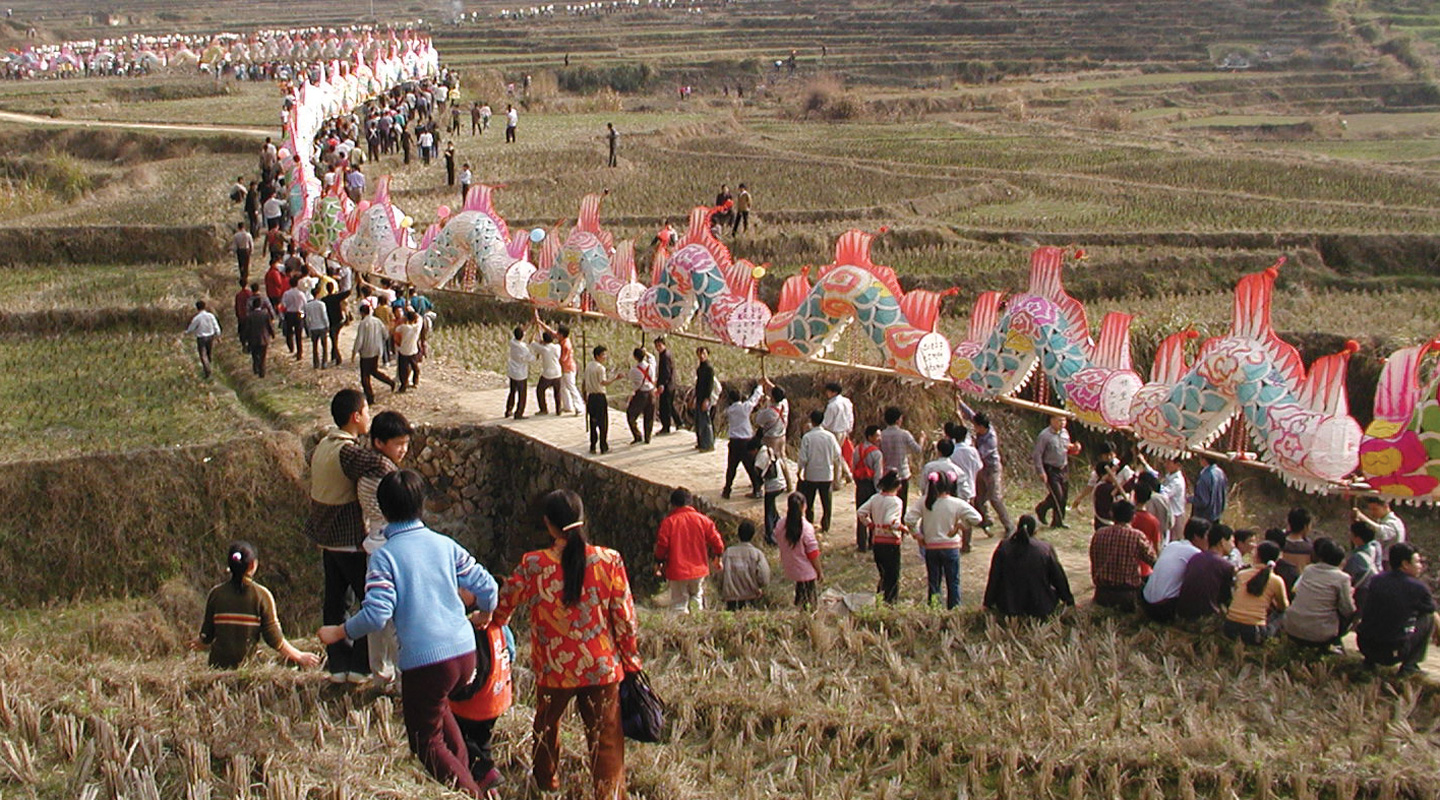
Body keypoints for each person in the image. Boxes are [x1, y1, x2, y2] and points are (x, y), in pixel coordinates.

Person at [318, 470, 499, 798]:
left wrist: (339, 631)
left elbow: (376, 614)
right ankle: (473, 778)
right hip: (465, 653)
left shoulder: (384, 557)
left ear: (382, 510)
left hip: (428, 662)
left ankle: (468, 792)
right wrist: (485, 613)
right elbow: (487, 585)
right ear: (422, 505)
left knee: (424, 741)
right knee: (437, 709)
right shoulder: (445, 545)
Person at [493, 489, 639, 798]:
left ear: (548, 524)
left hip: (554, 666)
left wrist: (494, 622)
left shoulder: (534, 563)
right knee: (606, 736)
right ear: (582, 518)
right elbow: (624, 617)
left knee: (546, 727)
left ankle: (547, 784)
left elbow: (506, 601)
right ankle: (608, 792)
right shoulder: (608, 560)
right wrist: (630, 659)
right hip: (601, 664)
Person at [304, 390, 375, 683]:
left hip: (326, 537)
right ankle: (359, 665)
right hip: (348, 538)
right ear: (356, 417)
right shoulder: (349, 452)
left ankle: (338, 665)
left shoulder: (323, 446)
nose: (369, 415)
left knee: (335, 602)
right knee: (368, 601)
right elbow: (376, 467)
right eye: (367, 410)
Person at [194, 542, 321, 670]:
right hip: (246, 668)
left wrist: (195, 643)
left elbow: (206, 636)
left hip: (217, 669)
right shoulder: (262, 595)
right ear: (252, 565)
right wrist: (300, 656)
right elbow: (275, 639)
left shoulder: (216, 594)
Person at [356, 410, 413, 683]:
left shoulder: (365, 468)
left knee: (377, 618)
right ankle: (402, 676)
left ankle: (381, 674)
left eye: (405, 443)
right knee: (393, 618)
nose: (403, 449)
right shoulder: (384, 475)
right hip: (389, 548)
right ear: (379, 442)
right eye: (398, 444)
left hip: (373, 546)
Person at [448, 614, 512, 795]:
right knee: (482, 742)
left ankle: (484, 772)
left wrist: (452, 694)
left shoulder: (474, 627)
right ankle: (488, 786)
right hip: (496, 697)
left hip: (476, 703)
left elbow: (476, 673)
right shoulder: (495, 619)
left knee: (457, 739)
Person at [1355, 543, 1440, 676]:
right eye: (1417, 562)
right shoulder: (1417, 587)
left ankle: (1369, 663)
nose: (1420, 566)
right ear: (1405, 564)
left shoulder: (1376, 580)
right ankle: (1410, 666)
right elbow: (1430, 609)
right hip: (1392, 652)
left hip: (1365, 646)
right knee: (1429, 617)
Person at [905, 472, 982, 609]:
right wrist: (961, 526)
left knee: (934, 583)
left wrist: (917, 535)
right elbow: (977, 518)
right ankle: (954, 611)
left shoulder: (924, 501)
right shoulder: (956, 503)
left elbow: (909, 519)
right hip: (951, 547)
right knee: (953, 582)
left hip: (931, 548)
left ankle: (934, 610)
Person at [983, 515, 1074, 618]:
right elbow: (1058, 578)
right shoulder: (1044, 549)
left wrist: (988, 603)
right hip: (1040, 607)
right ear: (1035, 531)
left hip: (1008, 606)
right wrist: (1068, 600)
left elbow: (994, 577)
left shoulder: (1003, 547)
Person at [655, 488, 724, 614]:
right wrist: (718, 556)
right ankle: (698, 623)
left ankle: (681, 628)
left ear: (673, 504)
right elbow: (717, 541)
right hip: (699, 569)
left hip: (677, 570)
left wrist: (658, 561)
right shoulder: (703, 520)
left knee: (679, 603)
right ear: (690, 502)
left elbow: (662, 545)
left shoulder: (669, 523)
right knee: (697, 597)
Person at [1283, 537, 1356, 650]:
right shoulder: (1342, 578)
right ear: (1341, 560)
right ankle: (1333, 643)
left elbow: (1295, 590)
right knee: (1350, 612)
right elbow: (1348, 609)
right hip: (1319, 634)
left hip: (1292, 627)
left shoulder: (1308, 569)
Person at [1088, 500, 1156, 611]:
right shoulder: (1137, 536)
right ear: (1133, 517)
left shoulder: (1099, 534)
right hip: (1127, 596)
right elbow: (1153, 561)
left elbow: (1093, 559)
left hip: (1101, 593)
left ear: (1112, 515)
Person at [958, 400, 1013, 536]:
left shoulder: (990, 439)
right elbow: (971, 415)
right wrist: (960, 402)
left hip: (991, 469)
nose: (974, 428)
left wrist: (968, 442)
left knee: (994, 498)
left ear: (981, 427)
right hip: (981, 469)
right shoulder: (981, 426)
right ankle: (987, 520)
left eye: (976, 427)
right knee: (979, 499)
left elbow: (979, 453)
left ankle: (1009, 525)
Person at [1141, 518, 1209, 623]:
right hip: (1163, 608)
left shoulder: (1171, 545)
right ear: (1196, 536)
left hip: (1146, 602)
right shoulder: (1195, 554)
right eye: (1207, 537)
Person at [1224, 540, 1290, 645]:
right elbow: (1283, 606)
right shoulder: (1276, 580)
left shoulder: (1241, 575)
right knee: (1282, 613)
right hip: (1254, 632)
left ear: (1256, 557)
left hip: (1229, 627)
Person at [856, 472, 908, 604]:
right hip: (891, 542)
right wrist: (902, 527)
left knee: (883, 575)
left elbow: (861, 512)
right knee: (893, 576)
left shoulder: (875, 498)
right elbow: (890, 520)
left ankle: (881, 599)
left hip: (877, 541)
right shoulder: (896, 502)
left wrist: (870, 524)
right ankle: (891, 603)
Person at [796, 409, 846, 532]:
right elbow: (837, 454)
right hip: (826, 475)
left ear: (811, 421)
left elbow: (803, 457)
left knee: (809, 502)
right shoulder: (830, 437)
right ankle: (826, 526)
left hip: (811, 475)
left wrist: (799, 470)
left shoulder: (807, 437)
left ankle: (809, 524)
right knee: (826, 503)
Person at [1175, 524, 1237, 621]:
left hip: (1181, 615)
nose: (1233, 546)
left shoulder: (1195, 557)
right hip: (1203, 620)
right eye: (1232, 541)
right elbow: (1226, 598)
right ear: (1222, 541)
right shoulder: (1225, 566)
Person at [775, 493, 823, 609]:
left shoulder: (781, 524)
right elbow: (813, 554)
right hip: (806, 571)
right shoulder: (806, 528)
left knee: (800, 597)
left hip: (790, 566)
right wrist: (819, 571)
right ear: (804, 506)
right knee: (809, 602)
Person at [722, 383, 765, 498]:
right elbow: (754, 398)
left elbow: (725, 413)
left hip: (734, 442)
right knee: (751, 467)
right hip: (746, 442)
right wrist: (760, 387)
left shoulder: (729, 411)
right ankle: (757, 489)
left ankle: (727, 490)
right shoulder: (745, 408)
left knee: (731, 468)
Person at [879, 406, 924, 519]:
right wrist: (922, 439)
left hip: (887, 474)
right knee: (902, 504)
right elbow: (918, 450)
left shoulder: (881, 435)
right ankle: (901, 527)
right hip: (902, 473)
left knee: (888, 503)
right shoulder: (905, 434)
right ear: (898, 420)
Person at [1032, 415, 1075, 529]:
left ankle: (1058, 521)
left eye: (1064, 420)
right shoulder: (1045, 435)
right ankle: (1042, 508)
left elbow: (1066, 448)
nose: (1062, 423)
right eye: (1059, 420)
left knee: (1064, 495)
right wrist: (1041, 471)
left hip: (1063, 467)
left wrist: (1074, 448)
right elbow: (1037, 454)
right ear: (1052, 420)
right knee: (1057, 494)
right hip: (1051, 468)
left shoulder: (1065, 433)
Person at [720, 521, 770, 610]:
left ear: (738, 534)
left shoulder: (728, 553)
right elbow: (764, 577)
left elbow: (719, 574)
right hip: (751, 597)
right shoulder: (757, 554)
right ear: (753, 535)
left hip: (731, 598)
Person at [537, 316, 582, 415]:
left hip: (568, 369)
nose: (556, 334)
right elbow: (551, 332)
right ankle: (568, 406)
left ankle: (579, 407)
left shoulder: (566, 345)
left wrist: (548, 350)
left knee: (571, 387)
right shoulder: (562, 339)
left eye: (558, 333)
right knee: (563, 388)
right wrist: (540, 322)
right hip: (563, 369)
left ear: (562, 335)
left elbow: (563, 358)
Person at [353, 304, 396, 405]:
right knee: (373, 371)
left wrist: (354, 351)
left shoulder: (363, 324)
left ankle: (370, 397)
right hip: (377, 351)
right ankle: (389, 382)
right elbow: (385, 335)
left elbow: (359, 339)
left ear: (362, 313)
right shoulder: (377, 321)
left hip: (366, 352)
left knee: (365, 376)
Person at [851, 425, 884, 552]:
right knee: (873, 515)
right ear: (870, 437)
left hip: (860, 484)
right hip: (871, 485)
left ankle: (861, 543)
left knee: (861, 513)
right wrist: (878, 491)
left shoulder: (857, 449)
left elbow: (853, 468)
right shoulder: (876, 453)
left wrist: (857, 482)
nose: (879, 439)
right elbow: (878, 475)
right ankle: (872, 541)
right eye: (877, 436)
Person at [753, 434, 788, 543]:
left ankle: (769, 536)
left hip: (772, 486)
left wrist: (757, 487)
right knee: (772, 507)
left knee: (768, 511)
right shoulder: (770, 450)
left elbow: (757, 472)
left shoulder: (761, 456)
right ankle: (780, 524)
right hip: (781, 483)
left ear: (755, 449)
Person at [583, 346, 618, 454]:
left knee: (593, 422)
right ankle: (603, 446)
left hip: (591, 397)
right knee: (603, 423)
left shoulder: (588, 366)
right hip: (599, 396)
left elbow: (584, 382)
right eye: (603, 355)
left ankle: (593, 446)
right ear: (597, 356)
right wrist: (615, 378)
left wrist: (584, 396)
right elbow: (603, 382)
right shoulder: (600, 368)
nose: (605, 357)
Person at [626, 347, 658, 444]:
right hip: (651, 392)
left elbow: (634, 383)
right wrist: (646, 352)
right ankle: (648, 437)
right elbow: (652, 358)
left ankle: (637, 435)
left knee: (631, 414)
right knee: (649, 416)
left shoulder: (634, 371)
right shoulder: (651, 366)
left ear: (635, 357)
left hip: (641, 394)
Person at [946, 423, 983, 504]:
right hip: (970, 488)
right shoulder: (973, 451)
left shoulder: (952, 452)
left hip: (955, 489)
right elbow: (979, 466)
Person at [821, 382, 855, 466]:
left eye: (828, 391)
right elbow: (851, 417)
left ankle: (841, 476)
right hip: (844, 431)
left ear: (834, 392)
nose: (826, 393)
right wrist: (849, 429)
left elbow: (826, 422)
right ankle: (846, 475)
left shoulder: (832, 405)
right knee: (838, 454)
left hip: (834, 432)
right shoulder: (847, 401)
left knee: (835, 456)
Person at [239, 296, 274, 377]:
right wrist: (272, 334)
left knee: (255, 355)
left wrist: (244, 340)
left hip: (253, 339)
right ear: (260, 305)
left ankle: (256, 368)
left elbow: (247, 329)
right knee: (263, 356)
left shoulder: (249, 316)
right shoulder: (265, 314)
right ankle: (262, 371)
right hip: (264, 338)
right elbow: (269, 325)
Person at [185, 300, 221, 379]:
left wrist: (187, 332)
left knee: (203, 355)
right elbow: (216, 325)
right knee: (209, 353)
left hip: (201, 338)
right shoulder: (211, 316)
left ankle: (207, 370)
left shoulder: (197, 318)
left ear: (197, 308)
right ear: (205, 307)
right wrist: (218, 335)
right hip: (210, 337)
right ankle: (209, 365)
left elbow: (191, 327)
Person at [505, 325, 535, 419]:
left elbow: (520, 334)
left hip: (512, 371)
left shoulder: (512, 342)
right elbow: (531, 359)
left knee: (512, 392)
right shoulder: (523, 348)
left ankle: (508, 410)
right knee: (522, 395)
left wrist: (531, 323)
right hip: (521, 374)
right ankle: (519, 413)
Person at [531, 330, 563, 414]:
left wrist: (535, 333)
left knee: (540, 390)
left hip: (548, 374)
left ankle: (543, 409)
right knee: (557, 392)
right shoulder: (557, 347)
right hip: (558, 372)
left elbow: (531, 342)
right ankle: (558, 409)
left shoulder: (543, 349)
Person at [1190, 454, 1228, 523]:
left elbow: (1202, 501)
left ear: (1204, 460)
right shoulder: (1220, 473)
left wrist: (1189, 499)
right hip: (1217, 514)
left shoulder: (1205, 477)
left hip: (1204, 517)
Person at [1344, 521, 1382, 589]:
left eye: (1352, 534)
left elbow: (1347, 575)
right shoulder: (1376, 547)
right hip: (1377, 585)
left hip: (1363, 590)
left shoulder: (1356, 558)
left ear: (1358, 538)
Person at [694, 347, 717, 452]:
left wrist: (707, 399)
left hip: (704, 398)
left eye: (703, 353)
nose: (701, 356)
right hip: (699, 397)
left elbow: (709, 386)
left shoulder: (709, 369)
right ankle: (701, 443)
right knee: (699, 421)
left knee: (705, 422)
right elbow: (698, 385)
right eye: (699, 354)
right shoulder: (700, 368)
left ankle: (708, 444)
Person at [303, 290, 331, 370]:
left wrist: (308, 327)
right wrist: (327, 325)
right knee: (324, 346)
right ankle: (324, 362)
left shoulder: (307, 305)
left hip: (313, 327)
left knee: (314, 346)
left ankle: (316, 363)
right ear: (318, 294)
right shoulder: (321, 304)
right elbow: (324, 316)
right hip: (322, 326)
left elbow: (306, 317)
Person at [280, 279, 306, 361]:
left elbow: (283, 304)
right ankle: (299, 352)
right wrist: (303, 315)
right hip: (299, 313)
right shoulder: (301, 293)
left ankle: (291, 347)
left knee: (289, 331)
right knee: (299, 334)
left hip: (289, 313)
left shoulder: (286, 293)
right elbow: (305, 304)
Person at [654, 336, 676, 434]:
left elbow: (666, 372)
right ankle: (679, 422)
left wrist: (662, 384)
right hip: (669, 384)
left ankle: (666, 427)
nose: (658, 348)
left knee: (665, 407)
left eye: (659, 345)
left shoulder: (665, 356)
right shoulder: (665, 355)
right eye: (656, 346)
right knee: (669, 405)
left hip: (667, 385)